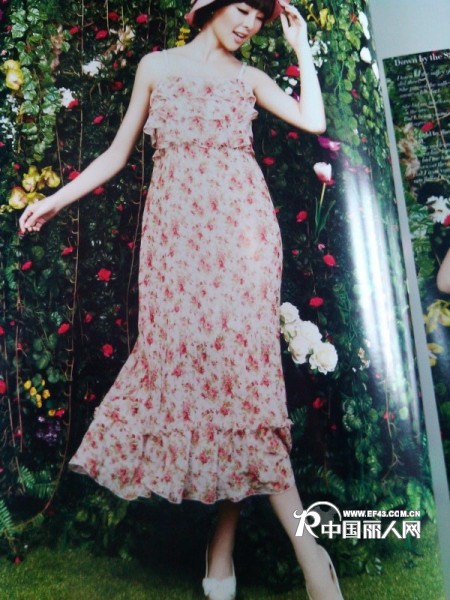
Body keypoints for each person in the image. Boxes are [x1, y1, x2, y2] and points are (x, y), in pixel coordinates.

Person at [19, 1, 343, 598]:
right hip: (176, 244)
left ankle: (310, 560)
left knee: (244, 386)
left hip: (243, 241)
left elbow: (314, 119)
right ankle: (222, 547)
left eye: (260, 17)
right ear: (212, 5)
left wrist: (300, 48)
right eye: (242, 9)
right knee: (207, 383)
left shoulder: (250, 78)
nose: (249, 24)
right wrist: (56, 200)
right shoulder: (157, 67)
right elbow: (117, 155)